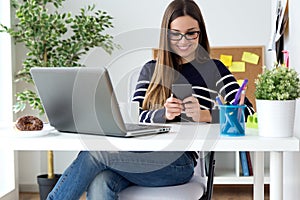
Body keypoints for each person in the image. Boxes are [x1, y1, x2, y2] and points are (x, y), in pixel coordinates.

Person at [47, 0, 254, 199]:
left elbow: (247, 111)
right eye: (176, 34)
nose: (183, 41)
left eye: (191, 33)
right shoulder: (151, 69)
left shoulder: (214, 69)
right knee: (101, 181)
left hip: (177, 163)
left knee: (96, 152)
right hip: (136, 154)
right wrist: (164, 114)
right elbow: (134, 116)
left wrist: (205, 115)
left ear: (201, 33)